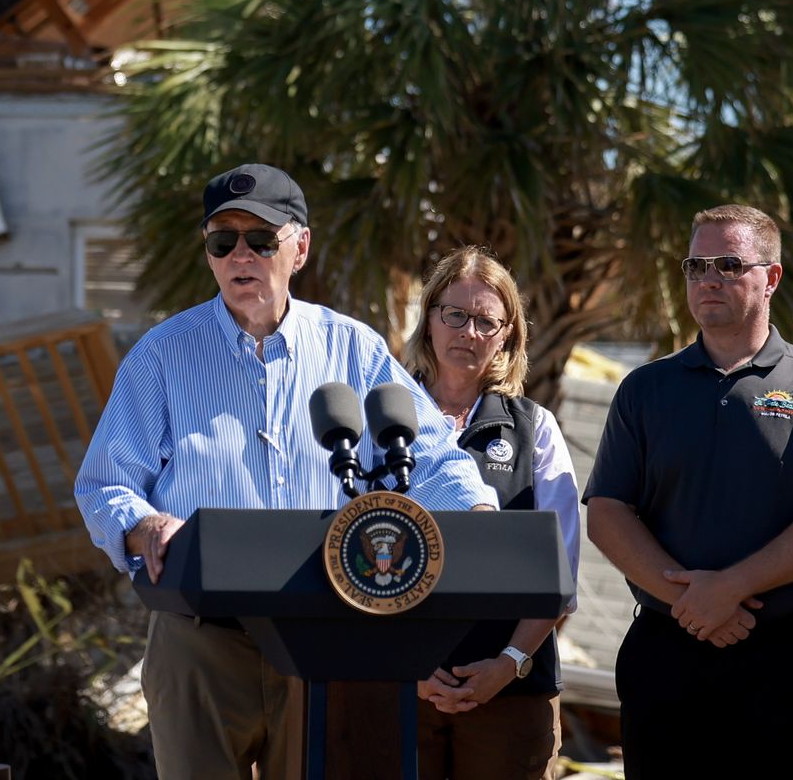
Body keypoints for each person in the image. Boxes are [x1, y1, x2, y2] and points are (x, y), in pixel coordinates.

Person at [74, 163, 498, 780]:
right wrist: (143, 525)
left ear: (299, 248)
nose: (240, 255)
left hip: (328, 632)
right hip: (201, 636)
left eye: (261, 239)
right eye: (223, 241)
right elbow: (106, 483)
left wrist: (479, 518)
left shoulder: (353, 348)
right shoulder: (161, 355)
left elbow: (430, 457)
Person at [583, 204, 793, 778]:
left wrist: (732, 589)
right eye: (696, 265)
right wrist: (690, 602)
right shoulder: (645, 389)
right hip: (665, 651)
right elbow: (608, 512)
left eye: (729, 263)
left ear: (772, 277)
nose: (708, 278)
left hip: (784, 659)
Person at [400, 248, 579, 779]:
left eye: (486, 321)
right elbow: (346, 555)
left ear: (508, 335)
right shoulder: (381, 420)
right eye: (455, 314)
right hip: (395, 688)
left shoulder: (534, 428)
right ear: (429, 318)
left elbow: (559, 572)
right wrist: (404, 666)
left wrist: (509, 663)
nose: (469, 332)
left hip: (512, 693)